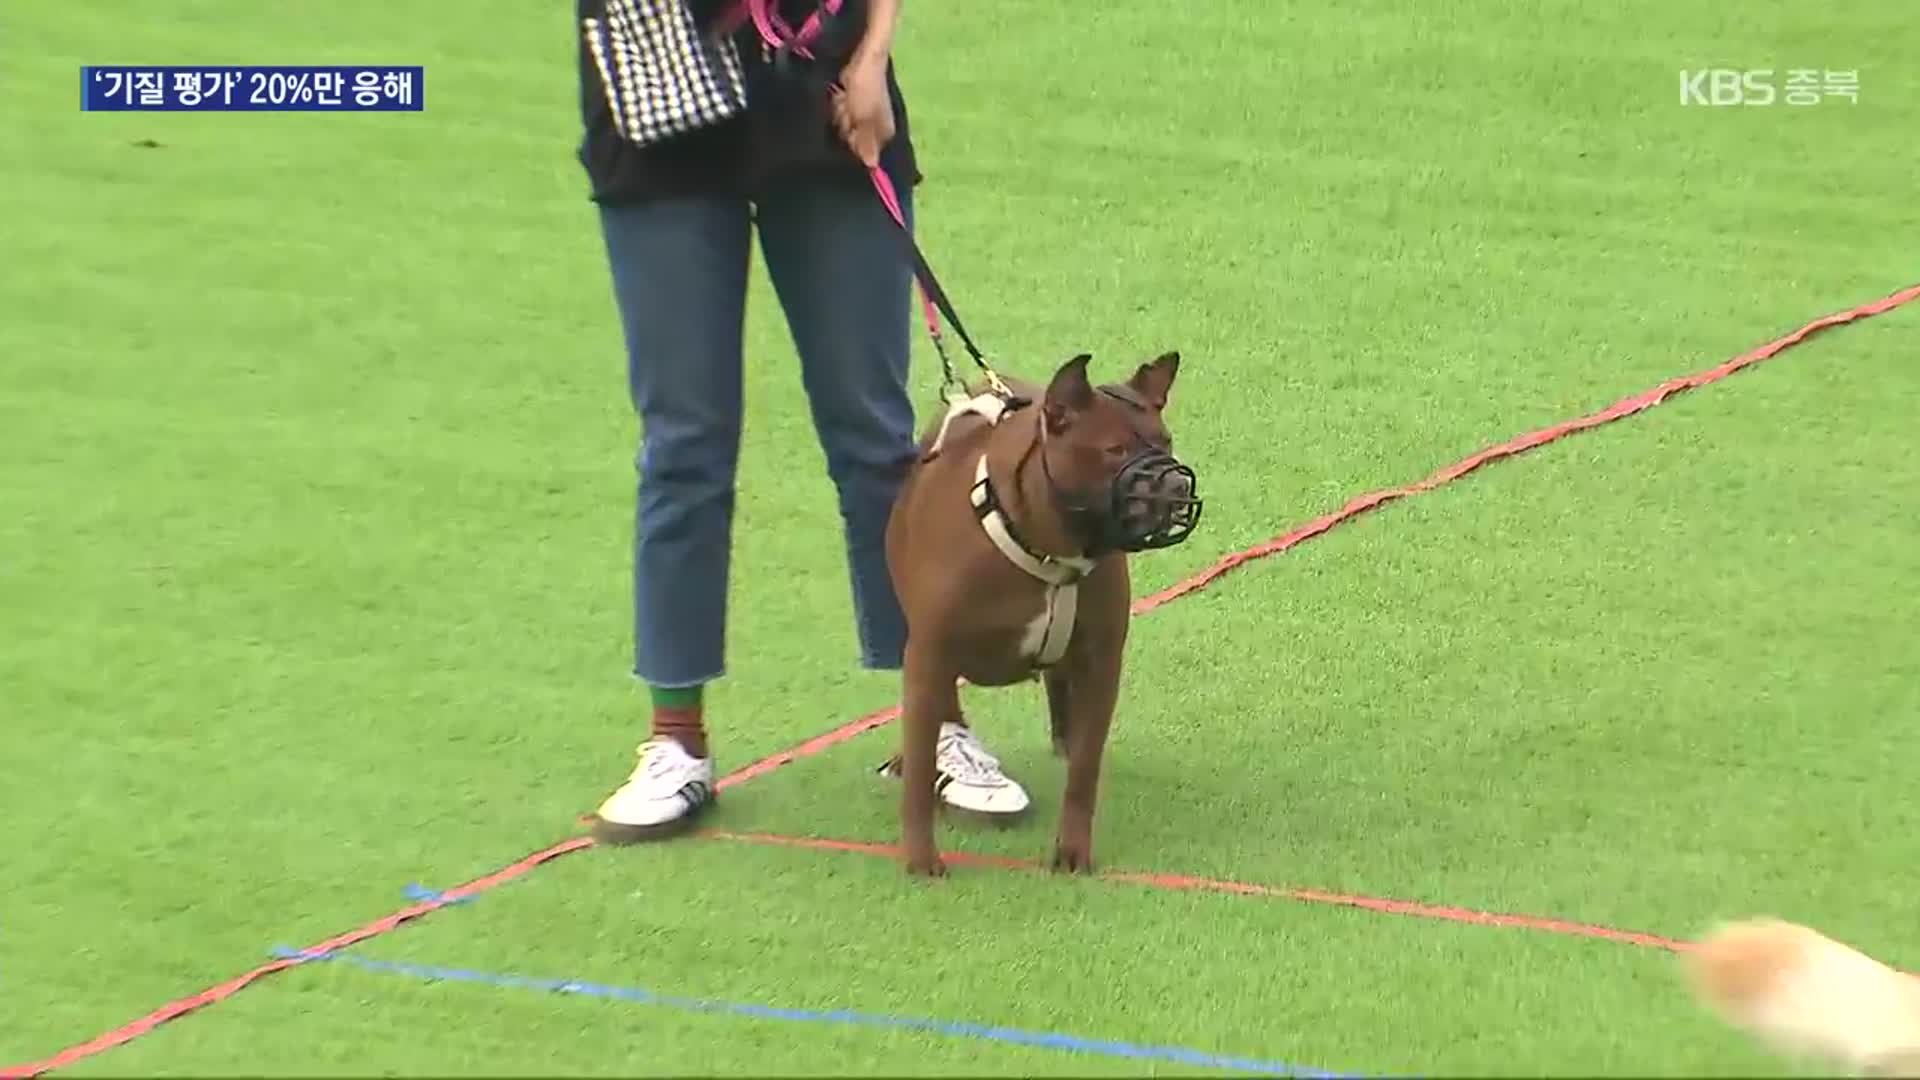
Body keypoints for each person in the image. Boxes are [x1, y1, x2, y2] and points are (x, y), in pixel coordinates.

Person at [575, 0, 1033, 842]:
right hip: (657, 102)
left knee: (872, 438)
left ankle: (935, 724)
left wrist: (873, 55)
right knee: (684, 443)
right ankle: (677, 742)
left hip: (824, 93)